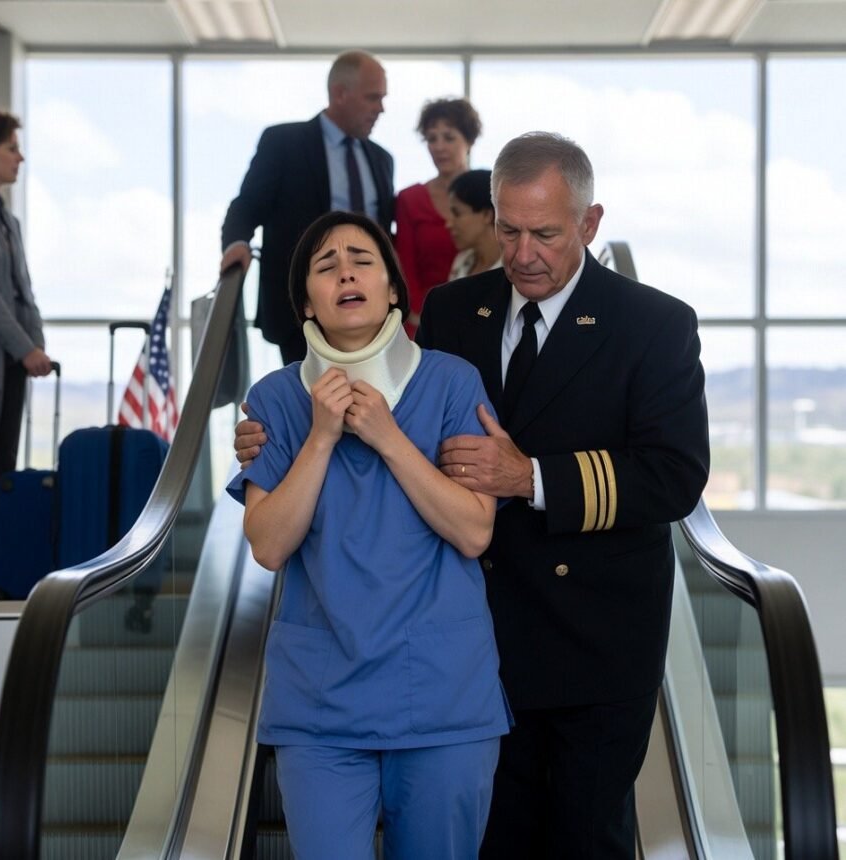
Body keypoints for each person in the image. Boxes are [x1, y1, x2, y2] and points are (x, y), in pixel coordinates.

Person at [234, 131, 710, 858]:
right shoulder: (457, 310)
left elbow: (674, 474)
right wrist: (275, 441)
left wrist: (531, 477)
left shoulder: (652, 324)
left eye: (546, 235)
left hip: (593, 639)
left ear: (589, 223)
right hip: (480, 636)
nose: (523, 254)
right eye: (508, 231)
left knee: (586, 838)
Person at [227, 210, 511, 859]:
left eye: (362, 260)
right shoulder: (274, 400)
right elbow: (268, 545)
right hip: (319, 707)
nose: (346, 274)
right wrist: (321, 437)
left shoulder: (452, 382)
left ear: (392, 289)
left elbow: (474, 531)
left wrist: (388, 437)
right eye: (325, 267)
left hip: (442, 699)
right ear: (307, 302)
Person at [220, 50, 394, 364]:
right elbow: (247, 206)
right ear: (340, 94)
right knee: (306, 396)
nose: (380, 109)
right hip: (298, 315)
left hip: (368, 313)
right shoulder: (283, 143)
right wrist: (236, 243)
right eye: (373, 98)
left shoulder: (382, 160)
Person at [0, 109, 53, 595]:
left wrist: (37, 344)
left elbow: (22, 291)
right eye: (11, 148)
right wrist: (24, 346)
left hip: (10, 368)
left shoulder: (7, 218)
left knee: (0, 474)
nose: (20, 157)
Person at [394, 97, 481, 335]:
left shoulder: (490, 194)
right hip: (422, 319)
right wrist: (416, 315)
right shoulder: (409, 199)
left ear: (469, 140)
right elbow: (404, 264)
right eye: (432, 139)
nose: (439, 147)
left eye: (449, 137)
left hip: (480, 315)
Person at [446, 168, 502, 280]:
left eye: (457, 213)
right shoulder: (461, 262)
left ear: (487, 215)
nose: (448, 224)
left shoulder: (514, 270)